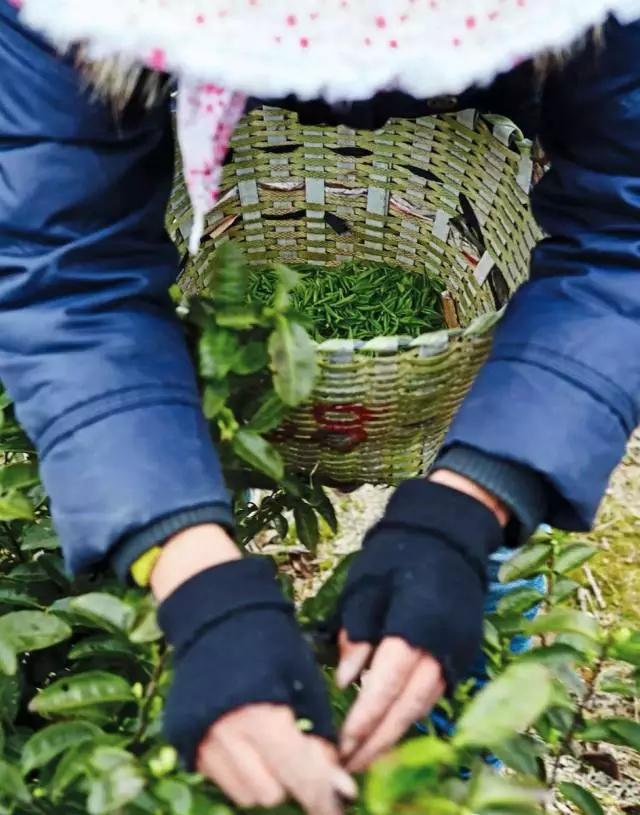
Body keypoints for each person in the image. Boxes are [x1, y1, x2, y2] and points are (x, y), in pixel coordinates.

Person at [1, 4, 640, 814]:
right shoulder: (71, 16)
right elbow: (66, 267)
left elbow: (626, 229)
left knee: (475, 556)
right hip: (209, 102)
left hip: (503, 96)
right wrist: (193, 574)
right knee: (189, 456)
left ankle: (457, 745)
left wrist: (478, 496)